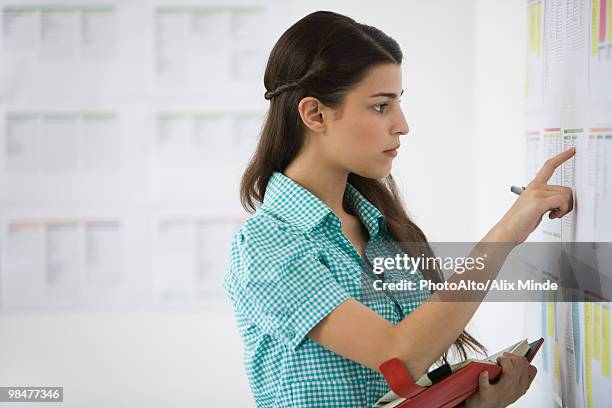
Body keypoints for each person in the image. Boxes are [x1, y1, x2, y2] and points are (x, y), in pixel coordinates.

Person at [223, 10, 575, 408]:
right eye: (380, 106)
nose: (402, 124)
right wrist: (505, 233)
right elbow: (398, 357)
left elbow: (396, 391)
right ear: (315, 114)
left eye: (398, 103)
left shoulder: (381, 231)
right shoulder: (268, 247)